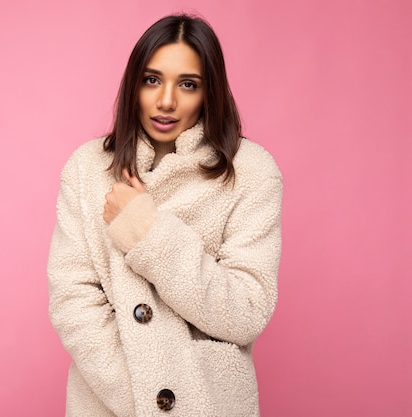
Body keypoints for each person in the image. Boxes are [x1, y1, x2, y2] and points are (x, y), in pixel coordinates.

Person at [47, 14, 282, 417]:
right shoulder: (86, 169)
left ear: (209, 92)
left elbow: (246, 311)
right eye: (152, 80)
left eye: (188, 84)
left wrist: (147, 231)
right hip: (110, 404)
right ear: (134, 84)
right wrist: (147, 401)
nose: (166, 100)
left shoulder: (251, 172)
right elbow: (73, 301)